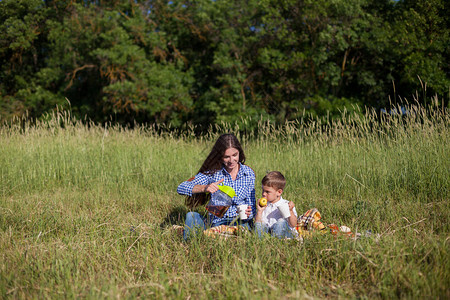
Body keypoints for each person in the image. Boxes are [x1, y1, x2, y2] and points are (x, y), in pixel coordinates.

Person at [177, 133, 256, 240]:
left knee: (242, 230)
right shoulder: (213, 173)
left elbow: (252, 207)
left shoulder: (248, 173)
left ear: (239, 153)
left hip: (239, 222)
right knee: (191, 217)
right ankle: (192, 245)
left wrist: (249, 212)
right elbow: (181, 187)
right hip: (217, 221)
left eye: (235, 155)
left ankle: (215, 234)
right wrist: (204, 188)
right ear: (220, 156)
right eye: (226, 157)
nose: (231, 160)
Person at [254, 171, 298, 239]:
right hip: (268, 231)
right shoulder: (264, 205)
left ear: (279, 192)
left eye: (267, 192)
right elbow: (258, 223)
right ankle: (260, 241)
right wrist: (259, 211)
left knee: (281, 222)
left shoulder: (286, 204)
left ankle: (276, 241)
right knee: (259, 224)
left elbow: (293, 224)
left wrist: (291, 211)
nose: (263, 194)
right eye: (263, 190)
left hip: (284, 233)